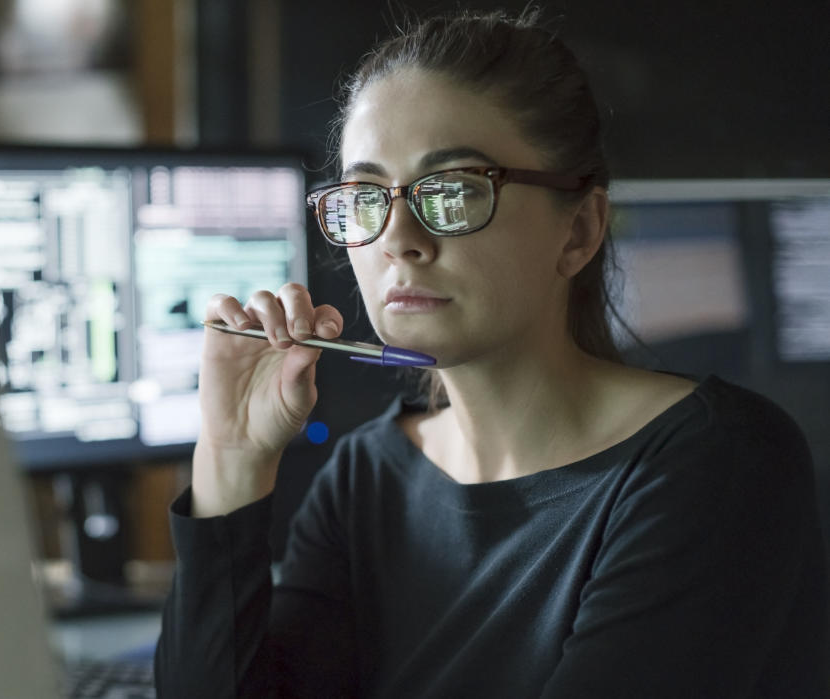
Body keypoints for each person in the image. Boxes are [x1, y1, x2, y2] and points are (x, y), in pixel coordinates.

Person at [153, 9, 828, 698]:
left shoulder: (720, 463)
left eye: (452, 191)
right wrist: (232, 457)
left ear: (580, 229)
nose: (400, 240)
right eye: (365, 197)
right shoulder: (366, 479)